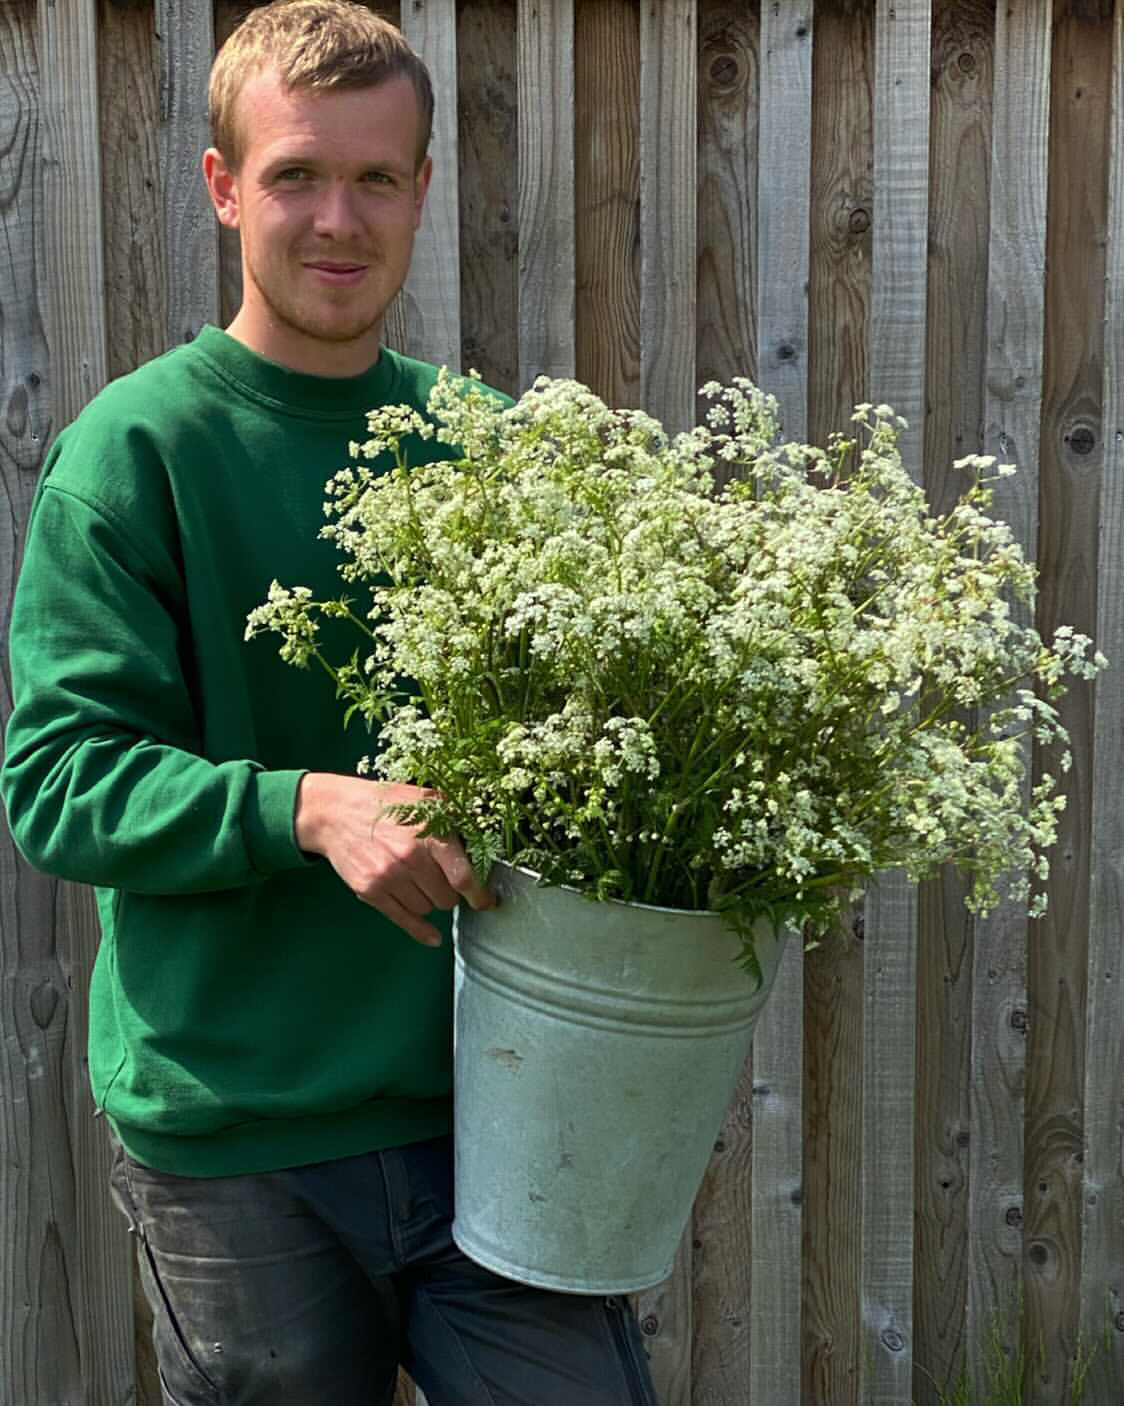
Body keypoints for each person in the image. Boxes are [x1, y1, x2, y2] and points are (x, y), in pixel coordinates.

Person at [1, 4, 659, 1403]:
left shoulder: (488, 449)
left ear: (423, 189)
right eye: (296, 174)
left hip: (497, 1103)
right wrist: (308, 808)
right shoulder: (135, 453)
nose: (337, 220)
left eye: (374, 178)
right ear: (224, 186)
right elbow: (58, 783)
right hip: (239, 1140)